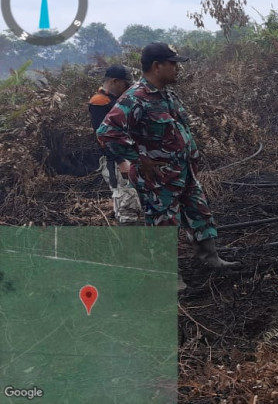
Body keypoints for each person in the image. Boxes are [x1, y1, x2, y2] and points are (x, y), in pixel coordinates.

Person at [97, 43, 240, 275]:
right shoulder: (135, 98)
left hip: (184, 173)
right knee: (163, 225)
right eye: (173, 64)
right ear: (157, 66)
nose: (177, 68)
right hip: (159, 179)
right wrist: (138, 158)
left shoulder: (166, 95)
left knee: (199, 213)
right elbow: (106, 132)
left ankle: (210, 258)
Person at [87, 64, 141, 225]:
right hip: (116, 161)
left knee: (134, 199)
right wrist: (120, 161)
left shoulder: (116, 100)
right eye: (126, 85)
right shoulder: (100, 102)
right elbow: (103, 136)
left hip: (130, 156)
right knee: (126, 200)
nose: (128, 89)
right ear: (115, 81)